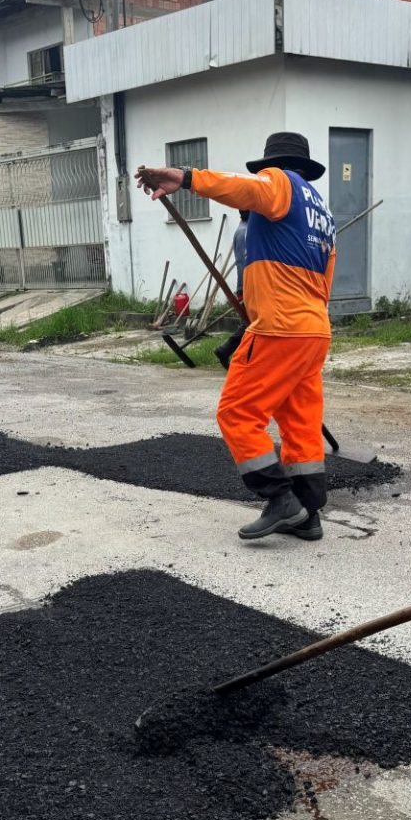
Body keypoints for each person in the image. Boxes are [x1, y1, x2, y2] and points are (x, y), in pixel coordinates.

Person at [136, 134, 336, 542]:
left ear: (272, 164)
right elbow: (324, 281)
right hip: (314, 329)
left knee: (237, 414)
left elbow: (244, 188)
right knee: (301, 422)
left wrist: (186, 178)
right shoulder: (322, 213)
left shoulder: (278, 182)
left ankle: (280, 499)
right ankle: (308, 513)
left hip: (280, 328)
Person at [212, 209, 252, 367]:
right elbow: (244, 264)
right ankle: (231, 353)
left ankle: (226, 351)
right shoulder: (244, 232)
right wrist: (245, 290)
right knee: (252, 324)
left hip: (248, 285)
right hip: (247, 286)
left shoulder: (247, 228)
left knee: (249, 324)